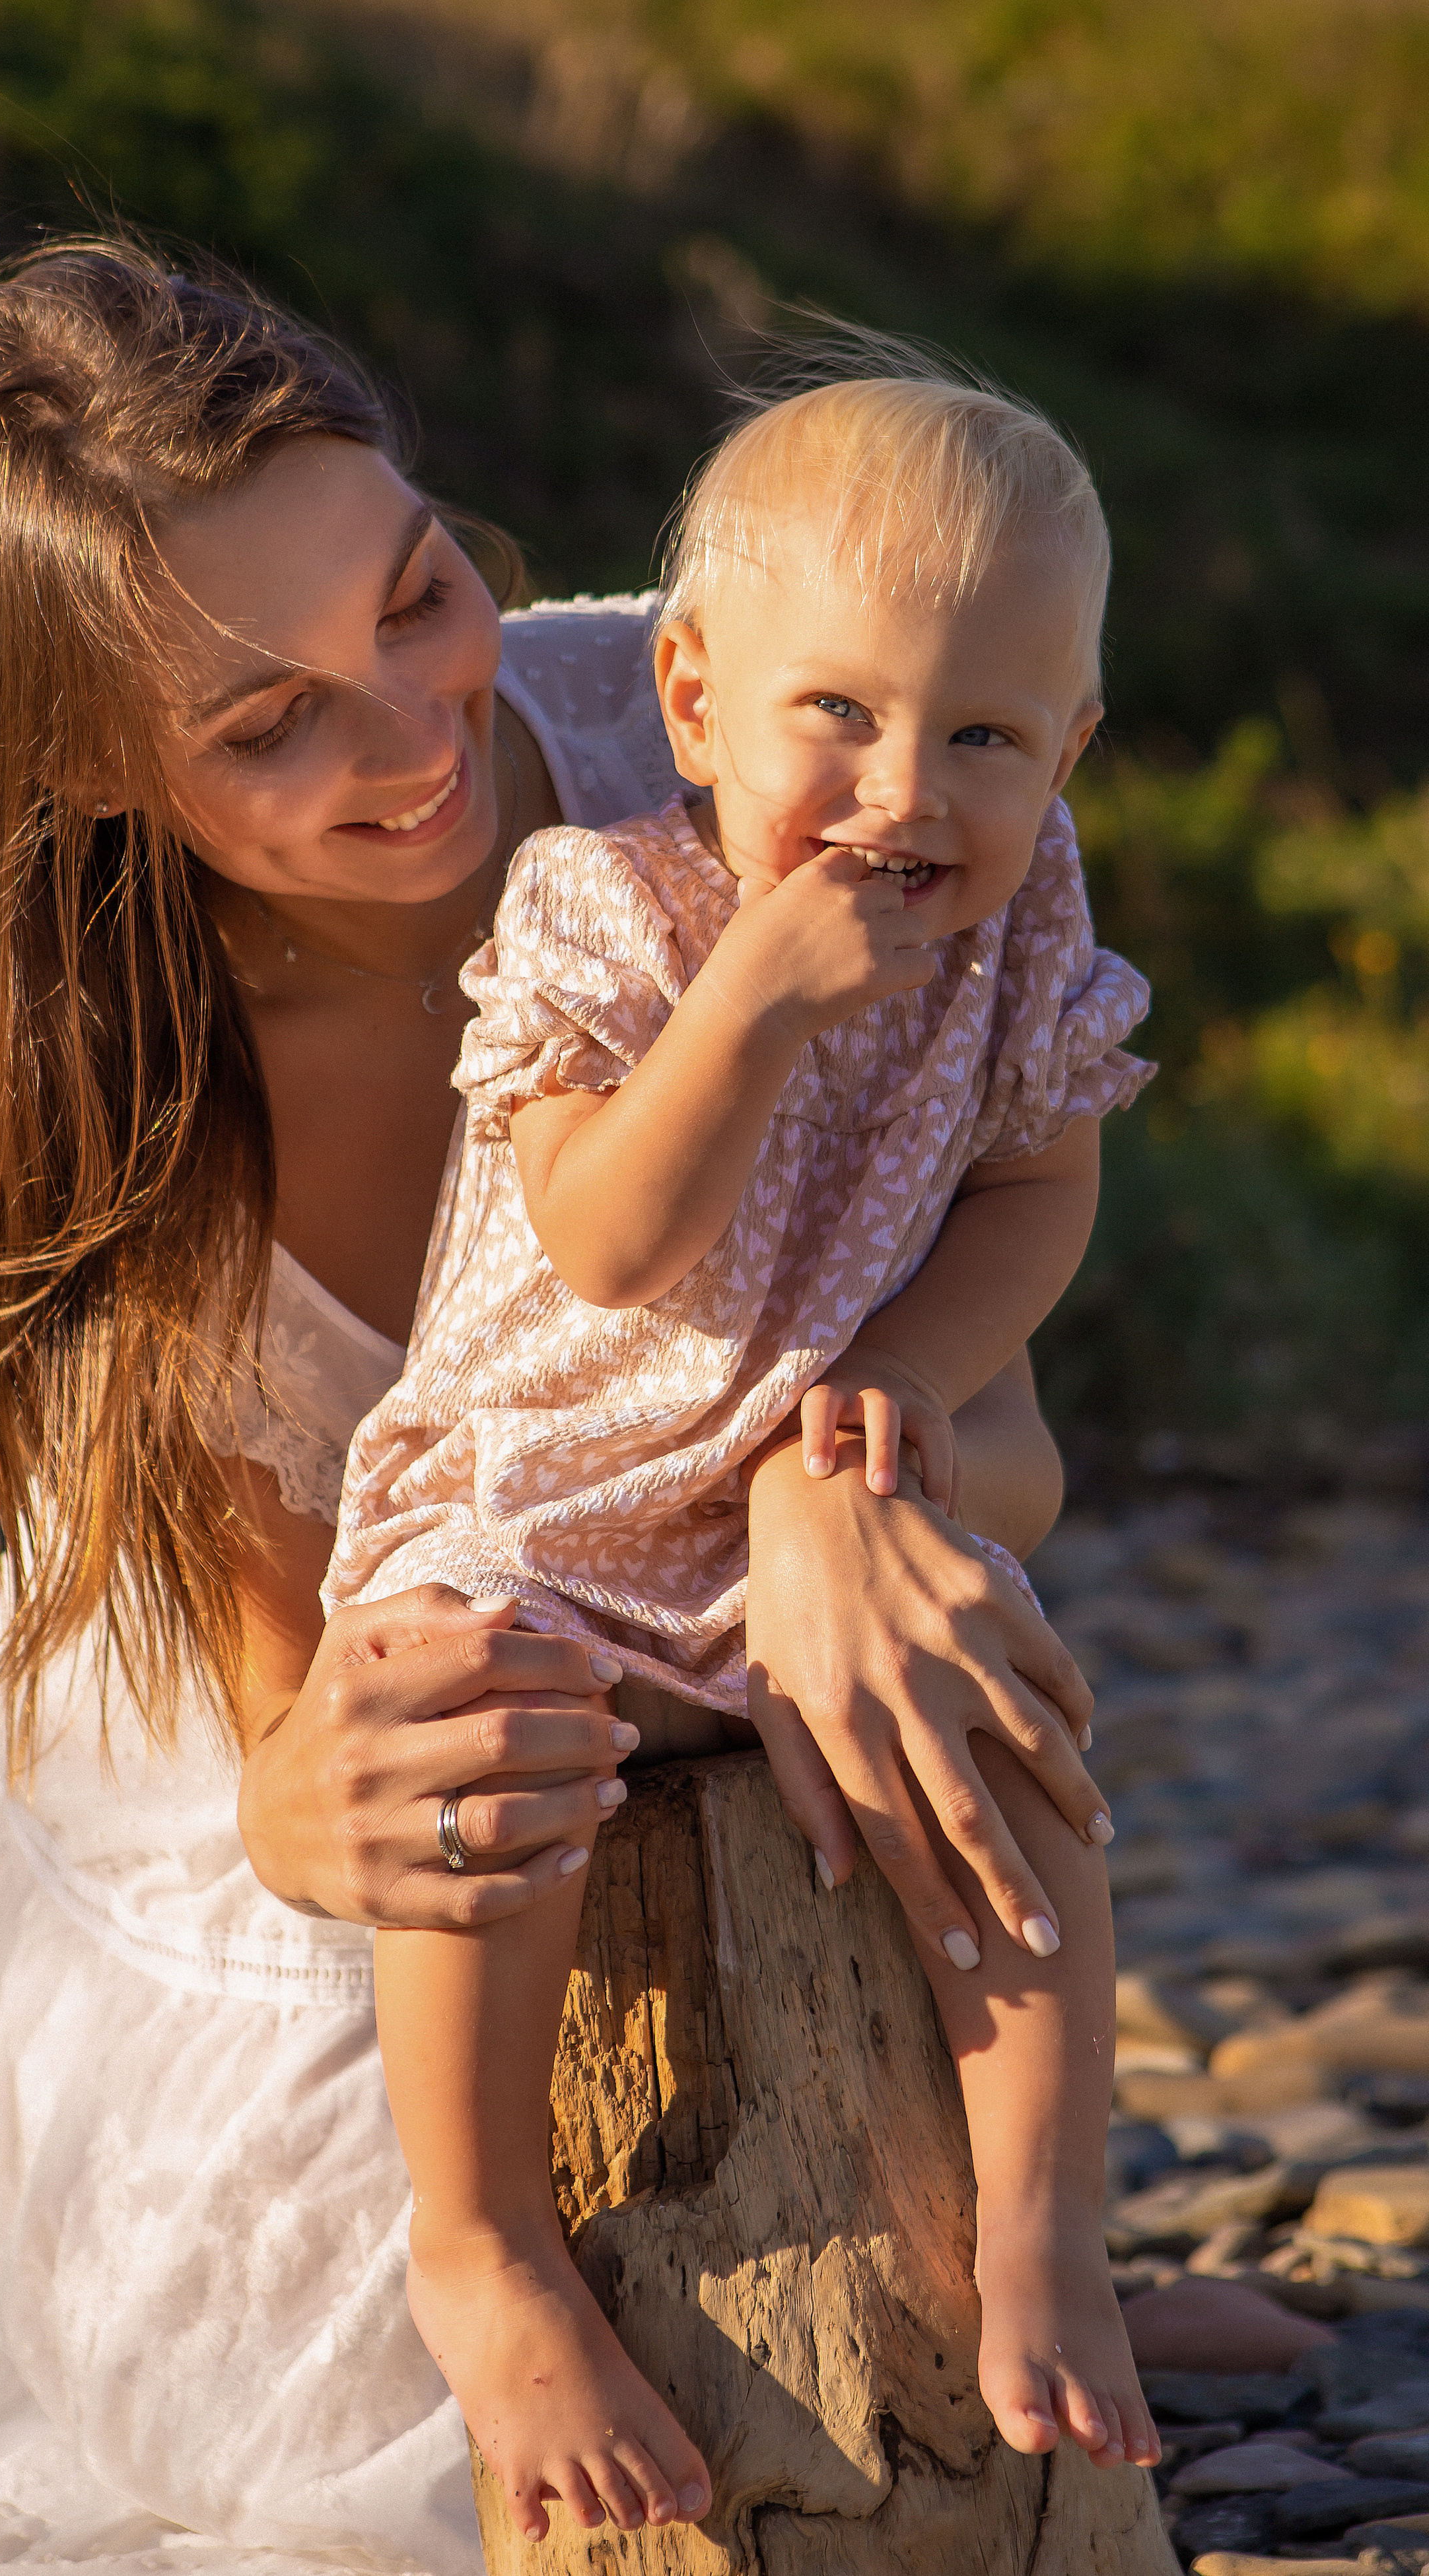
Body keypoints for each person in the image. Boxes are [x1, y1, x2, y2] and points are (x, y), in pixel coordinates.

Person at [0, 246, 1105, 2576]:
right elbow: (284, 1745)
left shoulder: (733, 731)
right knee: (394, 2360)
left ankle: (1028, 2235)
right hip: (321, 1780)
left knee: (969, 1736)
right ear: (88, 764)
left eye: (417, 593)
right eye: (261, 726)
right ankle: (527, 2272)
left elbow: (1021, 1428)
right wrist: (337, 1797)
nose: (406, 736)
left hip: (693, 1578)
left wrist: (830, 1469)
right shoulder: (82, 1100)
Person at [326, 360, 1161, 2540]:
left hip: (804, 1494)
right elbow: (605, 1239)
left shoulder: (1027, 933)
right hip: (553, 1493)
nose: (909, 790)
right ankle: (484, 2243)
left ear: (1069, 751)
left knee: (1018, 1781)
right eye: (842, 717)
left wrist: (898, 1370)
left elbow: (1035, 1196)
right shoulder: (601, 905)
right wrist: (758, 1001)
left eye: (986, 735)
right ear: (692, 699)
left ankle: (1043, 2225)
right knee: (488, 1755)